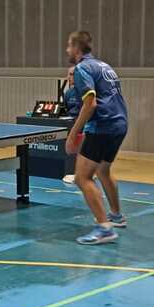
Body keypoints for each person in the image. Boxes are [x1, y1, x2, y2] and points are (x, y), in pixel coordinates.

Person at [64, 31, 128, 245]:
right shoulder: (104, 66)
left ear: (76, 48)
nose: (67, 50)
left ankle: (104, 228)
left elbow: (90, 104)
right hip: (120, 124)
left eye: (69, 46)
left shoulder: (82, 68)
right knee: (103, 170)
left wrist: (73, 133)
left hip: (102, 126)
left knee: (82, 178)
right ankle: (116, 216)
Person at [62, 66, 81, 184]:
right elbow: (65, 109)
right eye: (69, 74)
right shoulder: (68, 93)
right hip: (70, 125)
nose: (70, 77)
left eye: (72, 74)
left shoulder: (86, 92)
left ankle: (81, 173)